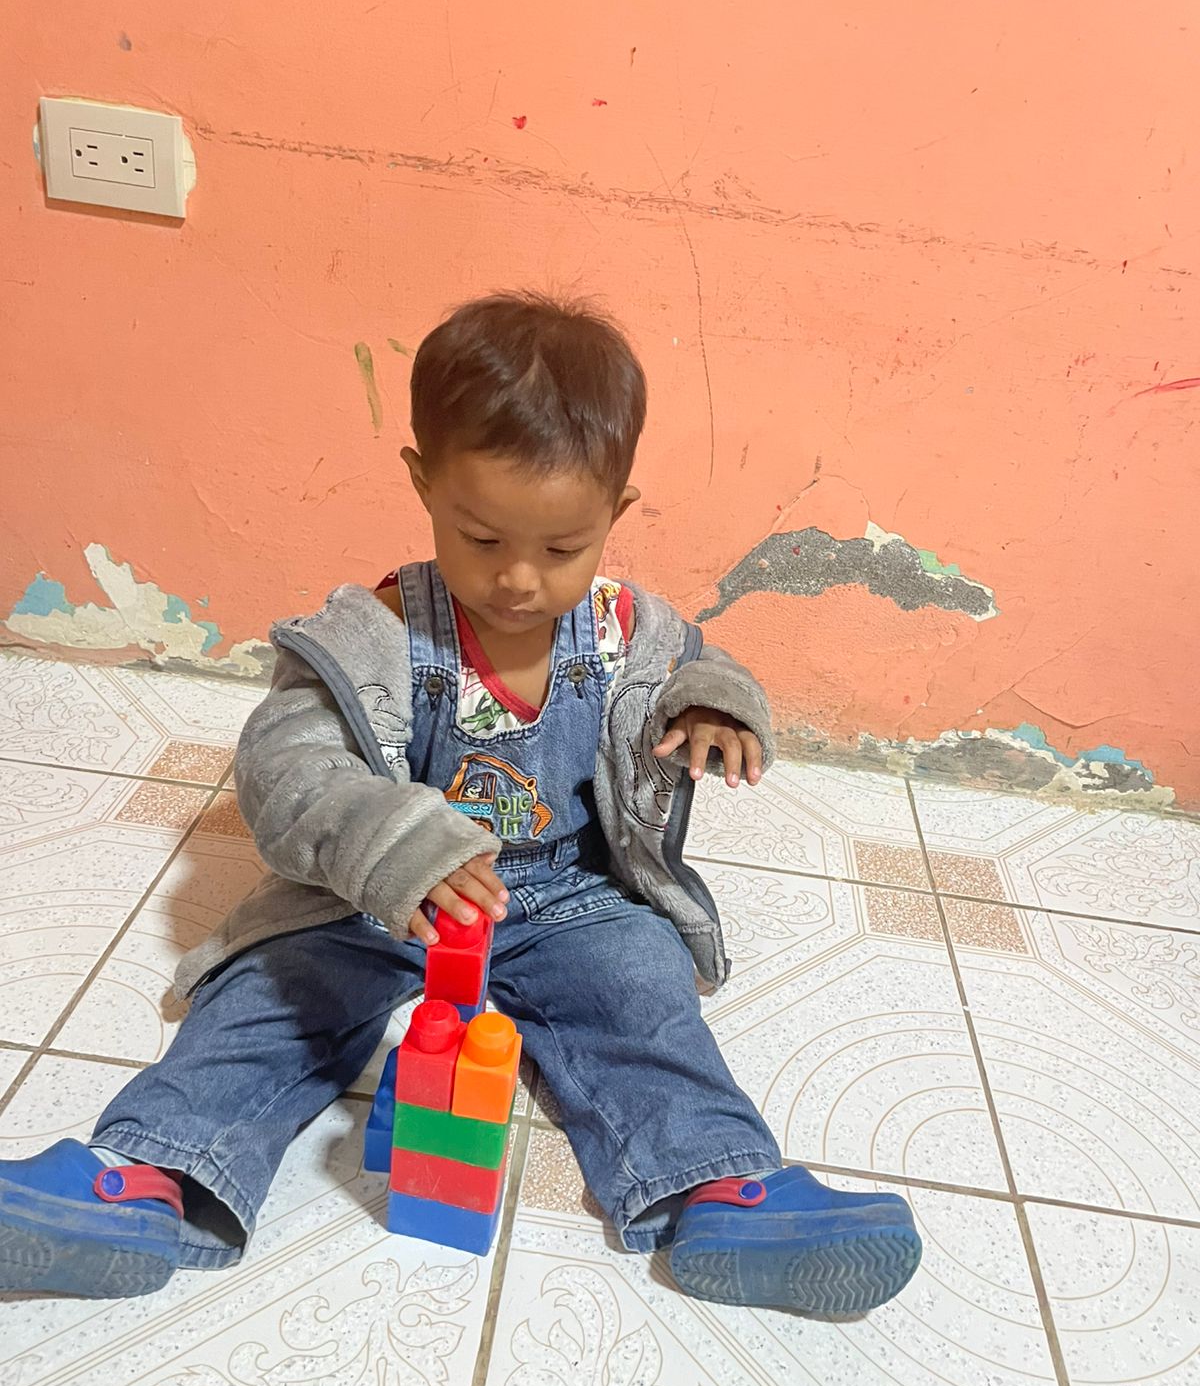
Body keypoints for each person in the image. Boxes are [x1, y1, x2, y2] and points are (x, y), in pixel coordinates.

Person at [0, 294, 921, 1313]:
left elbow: (694, 665)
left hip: (570, 895)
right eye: (481, 538)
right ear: (422, 483)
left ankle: (720, 1190)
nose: (520, 579)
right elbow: (283, 766)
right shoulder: (375, 633)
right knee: (273, 995)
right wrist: (391, 846)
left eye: (562, 549)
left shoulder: (626, 629)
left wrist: (713, 704)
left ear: (615, 516)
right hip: (384, 896)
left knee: (643, 999)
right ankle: (149, 1176)